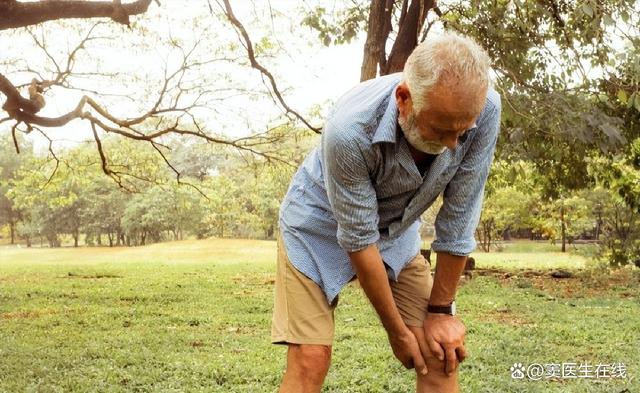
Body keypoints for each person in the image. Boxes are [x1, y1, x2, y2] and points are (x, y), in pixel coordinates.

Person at [272, 31, 501, 393]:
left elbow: (459, 218)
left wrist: (440, 313)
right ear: (404, 99)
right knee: (310, 358)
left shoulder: (485, 110)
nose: (454, 144)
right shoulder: (349, 130)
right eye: (441, 130)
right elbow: (360, 240)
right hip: (315, 227)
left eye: (463, 131)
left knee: (439, 352)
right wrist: (396, 332)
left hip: (396, 230)